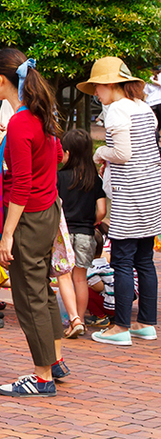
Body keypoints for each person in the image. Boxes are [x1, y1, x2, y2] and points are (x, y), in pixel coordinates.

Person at [0, 48, 66, 398]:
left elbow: (20, 186)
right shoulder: (39, 114)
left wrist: (7, 237)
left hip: (29, 216)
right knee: (43, 289)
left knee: (28, 295)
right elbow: (58, 156)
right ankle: (56, 360)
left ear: (1, 80)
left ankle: (42, 375)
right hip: (48, 210)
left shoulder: (19, 122)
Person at [77, 56, 161, 346]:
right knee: (145, 261)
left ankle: (120, 327)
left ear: (111, 85)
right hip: (151, 192)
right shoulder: (144, 108)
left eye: (97, 87)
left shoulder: (116, 111)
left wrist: (100, 155)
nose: (96, 93)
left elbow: (123, 153)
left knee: (123, 261)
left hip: (131, 196)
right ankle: (146, 323)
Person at [56, 129, 107, 338]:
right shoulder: (94, 179)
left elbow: (55, 205)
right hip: (86, 234)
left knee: (64, 276)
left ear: (67, 153)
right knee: (80, 279)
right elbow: (102, 211)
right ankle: (82, 319)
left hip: (64, 234)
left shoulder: (59, 177)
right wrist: (91, 221)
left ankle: (72, 318)